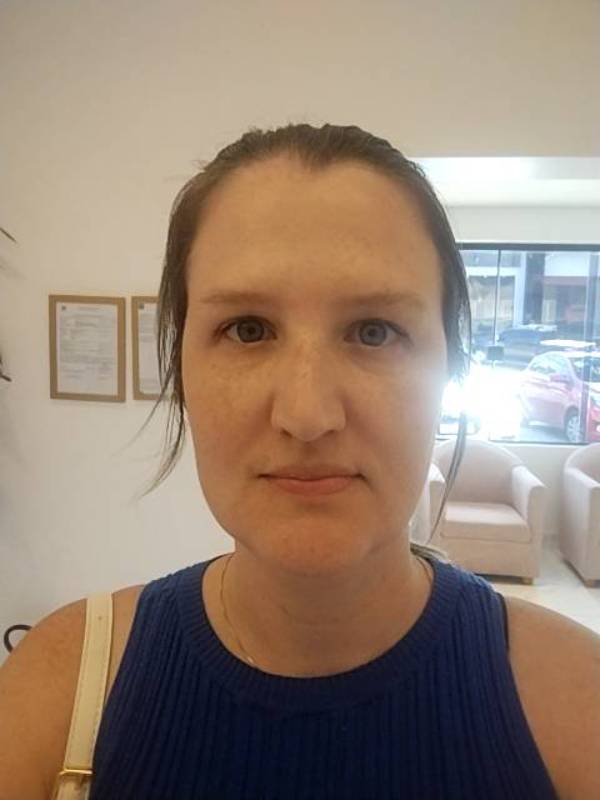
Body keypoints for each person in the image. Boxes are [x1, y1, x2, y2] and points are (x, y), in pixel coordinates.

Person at [1, 123, 599, 800]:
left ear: (450, 369)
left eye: (374, 331)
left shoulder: (577, 709)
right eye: (248, 329)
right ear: (181, 369)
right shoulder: (57, 693)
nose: (308, 414)